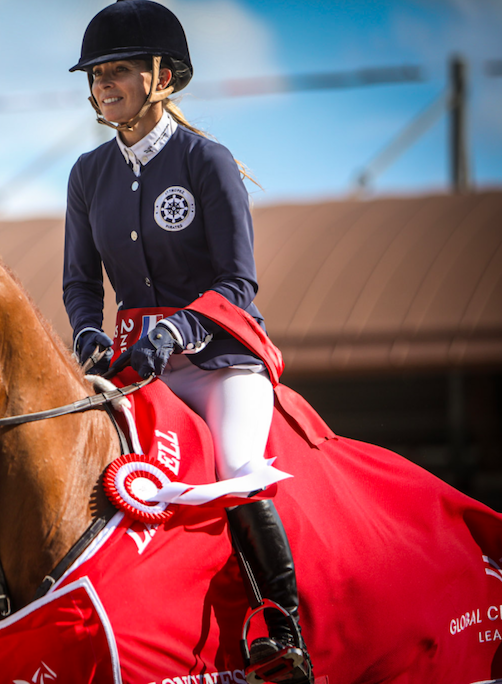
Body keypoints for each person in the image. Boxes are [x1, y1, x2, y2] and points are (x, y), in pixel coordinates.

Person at [62, 2, 312, 683]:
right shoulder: (88, 175)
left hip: (219, 361)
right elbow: (81, 283)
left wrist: (176, 329)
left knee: (236, 468)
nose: (103, 84)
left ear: (163, 77)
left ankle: (283, 629)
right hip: (135, 369)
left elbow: (238, 281)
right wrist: (87, 334)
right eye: (96, 74)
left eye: (118, 70)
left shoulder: (207, 160)